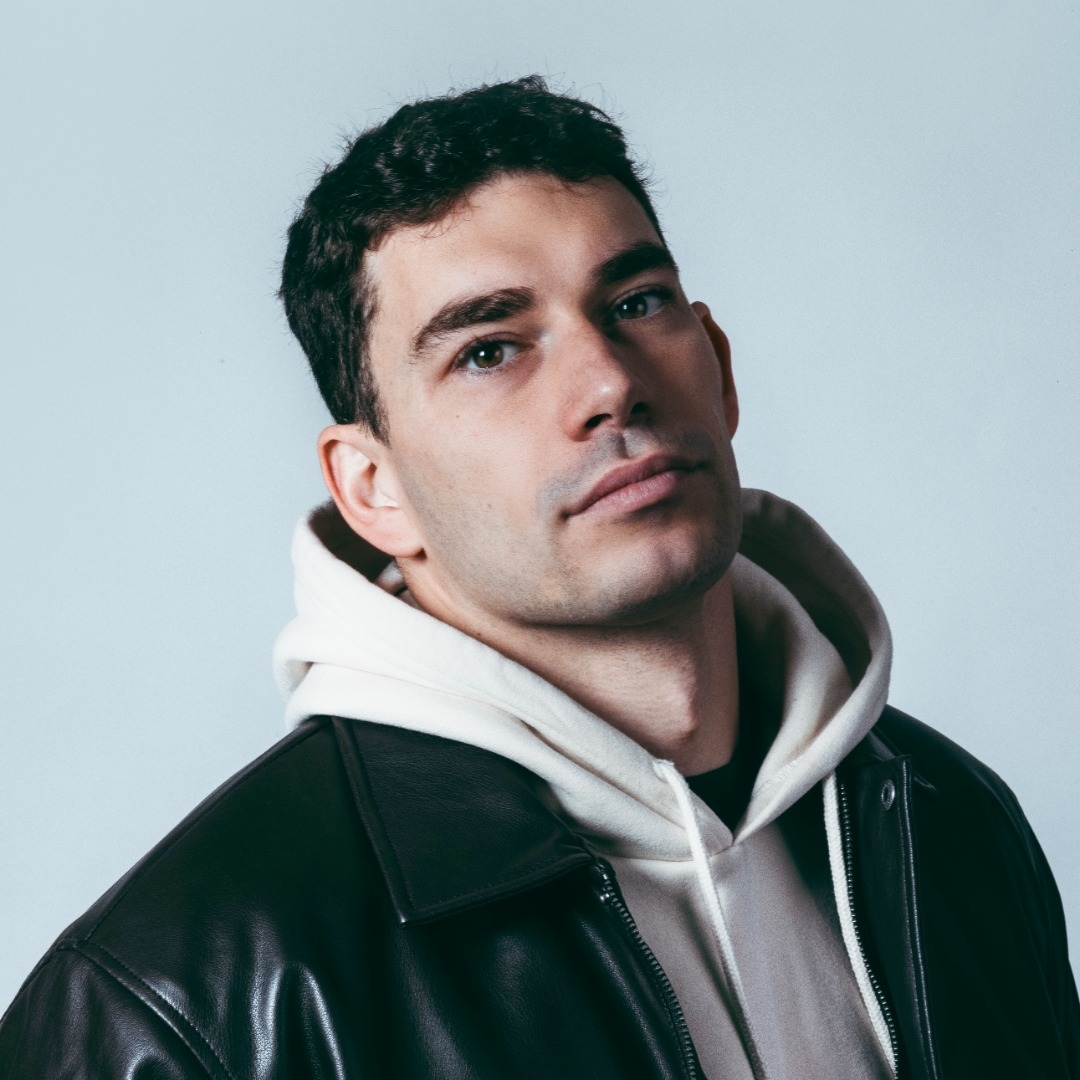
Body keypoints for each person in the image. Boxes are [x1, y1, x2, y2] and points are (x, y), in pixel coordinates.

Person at [1, 76, 1076, 1080]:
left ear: (719, 367)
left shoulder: (943, 823)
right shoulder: (176, 1001)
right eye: (489, 350)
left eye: (636, 302)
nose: (610, 383)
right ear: (374, 490)